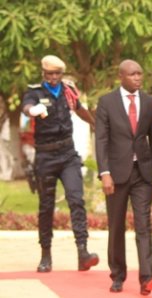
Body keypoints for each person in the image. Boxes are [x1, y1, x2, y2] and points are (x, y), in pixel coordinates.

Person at [21, 55, 98, 273]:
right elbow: (26, 106)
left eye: (57, 74)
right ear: (43, 74)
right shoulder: (35, 92)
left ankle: (83, 252)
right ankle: (46, 255)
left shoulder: (68, 90)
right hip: (45, 156)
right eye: (50, 74)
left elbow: (80, 108)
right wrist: (31, 111)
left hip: (67, 155)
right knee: (46, 207)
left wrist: (95, 124)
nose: (54, 78)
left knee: (76, 199)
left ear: (62, 74)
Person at [95, 59, 152, 295]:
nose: (138, 78)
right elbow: (101, 140)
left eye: (140, 74)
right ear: (121, 76)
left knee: (144, 225)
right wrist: (104, 173)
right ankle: (118, 275)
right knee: (116, 227)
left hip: (142, 174)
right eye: (133, 74)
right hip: (115, 175)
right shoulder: (107, 102)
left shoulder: (149, 102)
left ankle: (146, 278)